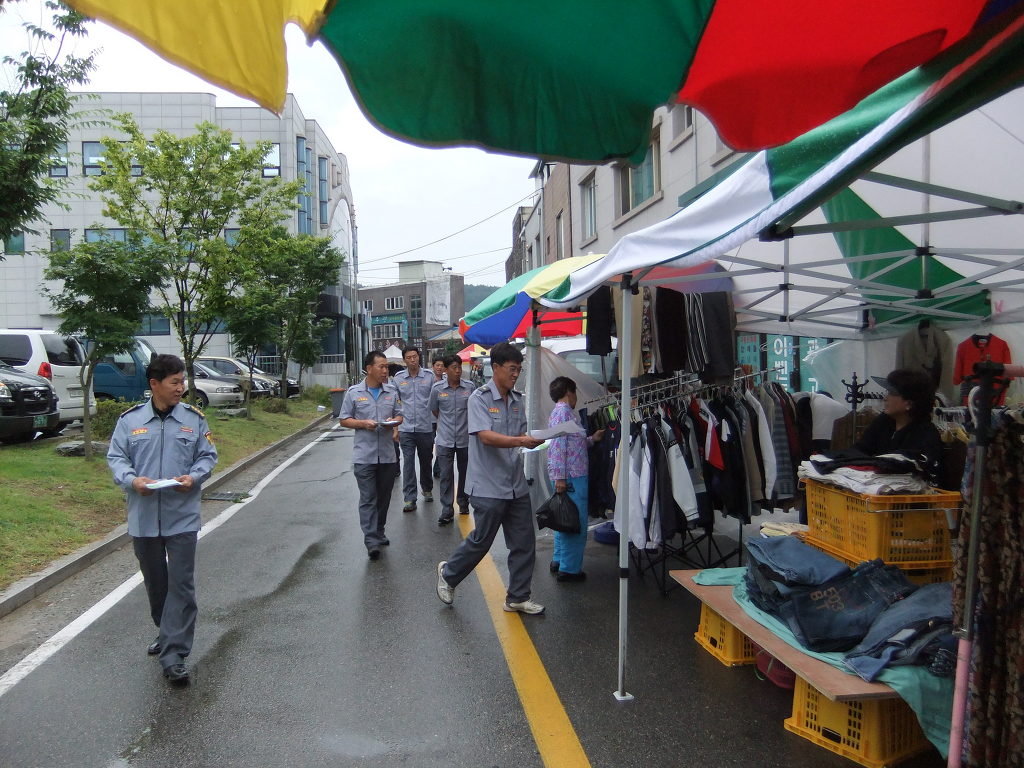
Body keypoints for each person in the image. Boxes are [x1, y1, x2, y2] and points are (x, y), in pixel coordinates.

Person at [106, 354, 218, 685]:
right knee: (156, 583)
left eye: (182, 382)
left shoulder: (194, 420)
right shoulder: (130, 421)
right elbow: (117, 457)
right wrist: (132, 481)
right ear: (154, 384)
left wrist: (193, 477)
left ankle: (174, 654)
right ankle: (166, 630)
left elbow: (207, 456)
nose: (181, 388)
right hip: (143, 517)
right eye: (174, 382)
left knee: (181, 584)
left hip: (182, 515)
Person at [436, 342, 546, 614]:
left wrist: (537, 439)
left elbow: (520, 437)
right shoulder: (479, 399)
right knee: (482, 540)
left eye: (519, 370)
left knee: (524, 541)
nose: (515, 374)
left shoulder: (518, 400)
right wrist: (520, 440)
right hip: (487, 484)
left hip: (515, 483)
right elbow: (485, 436)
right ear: (495, 367)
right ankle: (449, 574)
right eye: (512, 369)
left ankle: (518, 596)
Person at [339, 350, 404, 559]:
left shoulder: (391, 391)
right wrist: (362, 423)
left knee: (384, 498)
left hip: (387, 455)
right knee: (368, 498)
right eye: (381, 367)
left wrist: (394, 422)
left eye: (386, 367)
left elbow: (399, 415)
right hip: (364, 457)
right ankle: (371, 540)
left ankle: (379, 530)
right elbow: (344, 419)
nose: (385, 371)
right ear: (369, 369)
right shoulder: (354, 392)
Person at [546, 376, 604, 582]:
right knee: (575, 523)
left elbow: (572, 444)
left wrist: (591, 440)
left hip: (567, 476)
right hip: (572, 477)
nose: (576, 397)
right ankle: (570, 570)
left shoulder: (560, 413)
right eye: (575, 393)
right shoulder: (564, 413)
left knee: (563, 518)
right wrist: (560, 478)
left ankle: (559, 560)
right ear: (569, 392)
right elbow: (558, 446)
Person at [857, 368, 943, 482]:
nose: (885, 397)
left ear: (909, 403)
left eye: (891, 392)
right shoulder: (883, 422)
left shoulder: (926, 434)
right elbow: (860, 450)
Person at [428, 354, 475, 525]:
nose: (458, 371)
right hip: (445, 440)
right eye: (454, 368)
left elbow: (475, 409)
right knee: (446, 475)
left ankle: (463, 502)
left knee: (465, 473)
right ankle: (447, 509)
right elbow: (435, 410)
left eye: (459, 367)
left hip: (465, 439)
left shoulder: (470, 387)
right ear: (446, 370)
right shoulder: (437, 389)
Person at [393, 347, 436, 512]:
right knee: (408, 462)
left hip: (425, 427)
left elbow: (436, 400)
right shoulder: (398, 379)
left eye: (415, 356)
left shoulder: (429, 376)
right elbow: (395, 404)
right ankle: (409, 498)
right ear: (404, 360)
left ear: (419, 357)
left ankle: (427, 488)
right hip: (406, 428)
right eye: (409, 357)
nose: (412, 360)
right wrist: (395, 428)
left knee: (426, 460)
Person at [431, 354, 446, 479]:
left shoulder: (447, 380)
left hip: (442, 419)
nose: (440, 368)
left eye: (442, 365)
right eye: (437, 365)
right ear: (433, 366)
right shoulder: (429, 380)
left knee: (441, 445)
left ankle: (438, 468)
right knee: (429, 447)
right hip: (430, 419)